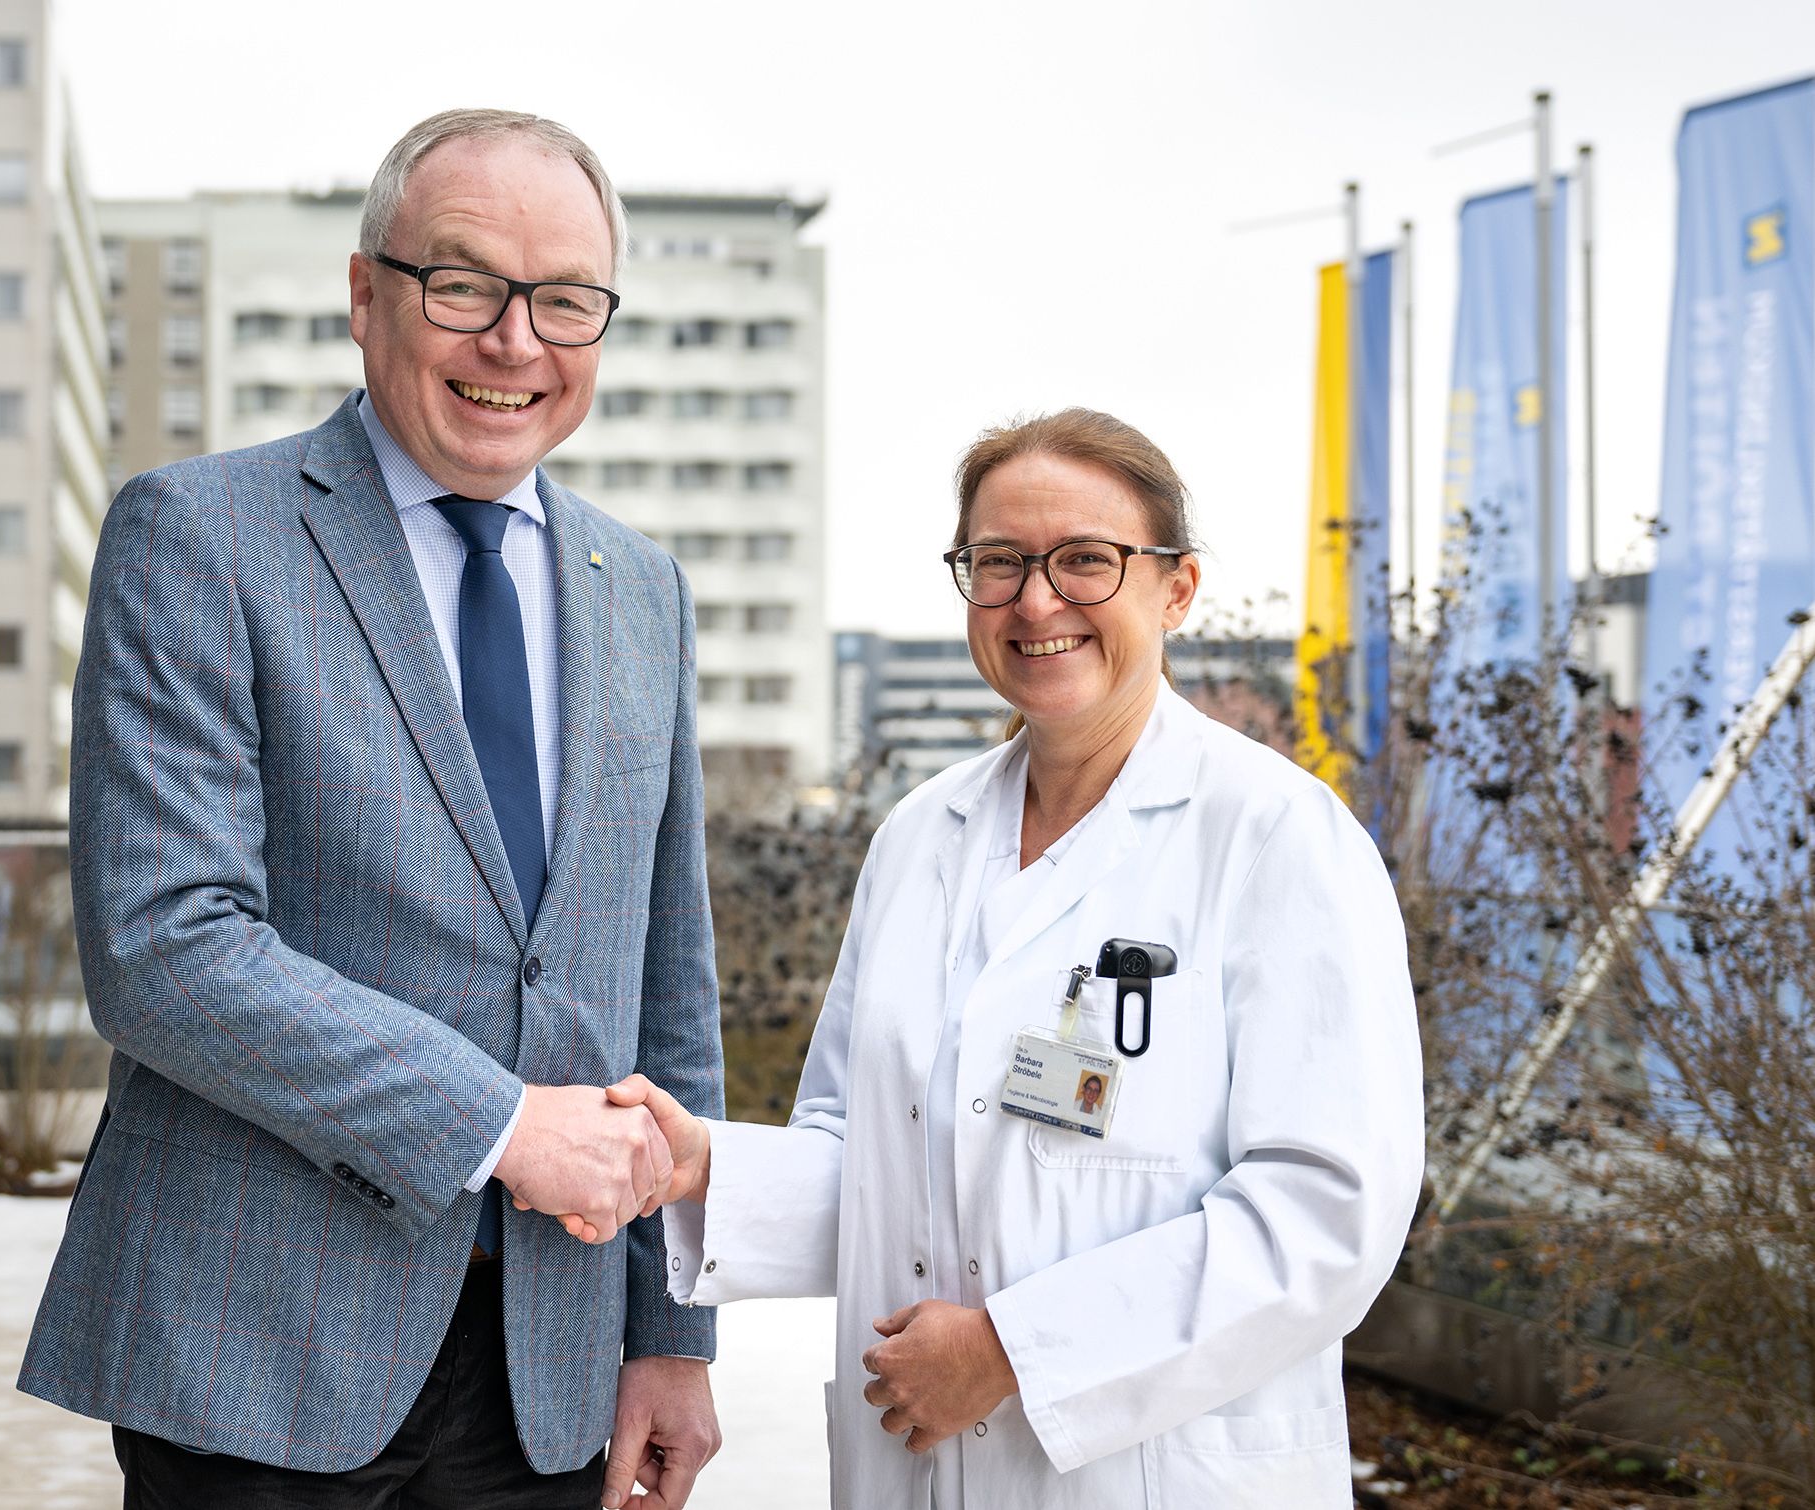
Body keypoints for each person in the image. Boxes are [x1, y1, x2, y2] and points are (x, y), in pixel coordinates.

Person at [19, 108, 724, 1509]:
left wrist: (672, 1330)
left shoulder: (640, 588)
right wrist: (498, 1125)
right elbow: (164, 948)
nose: (514, 340)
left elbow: (666, 986)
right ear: (366, 294)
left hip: (552, 1368)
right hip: (256, 1348)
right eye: (462, 283)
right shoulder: (199, 536)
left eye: (565, 299)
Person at [608, 409, 1423, 1506]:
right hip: (915, 1464)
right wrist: (704, 1165)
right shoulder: (917, 838)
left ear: (1173, 589)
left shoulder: (1275, 837)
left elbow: (1325, 1215)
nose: (1036, 601)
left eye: (1086, 561)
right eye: (997, 564)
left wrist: (1012, 1353)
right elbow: (877, 1156)